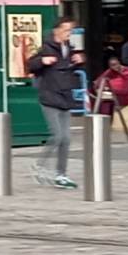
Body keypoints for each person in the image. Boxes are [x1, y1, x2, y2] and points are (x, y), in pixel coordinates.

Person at [27, 17, 83, 188]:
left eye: (70, 30)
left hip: (65, 97)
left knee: (66, 138)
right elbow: (31, 64)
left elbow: (70, 70)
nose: (69, 33)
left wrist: (79, 61)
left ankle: (61, 174)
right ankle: (39, 165)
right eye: (66, 30)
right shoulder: (46, 47)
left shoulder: (69, 49)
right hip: (50, 96)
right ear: (56, 30)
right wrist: (42, 61)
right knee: (57, 135)